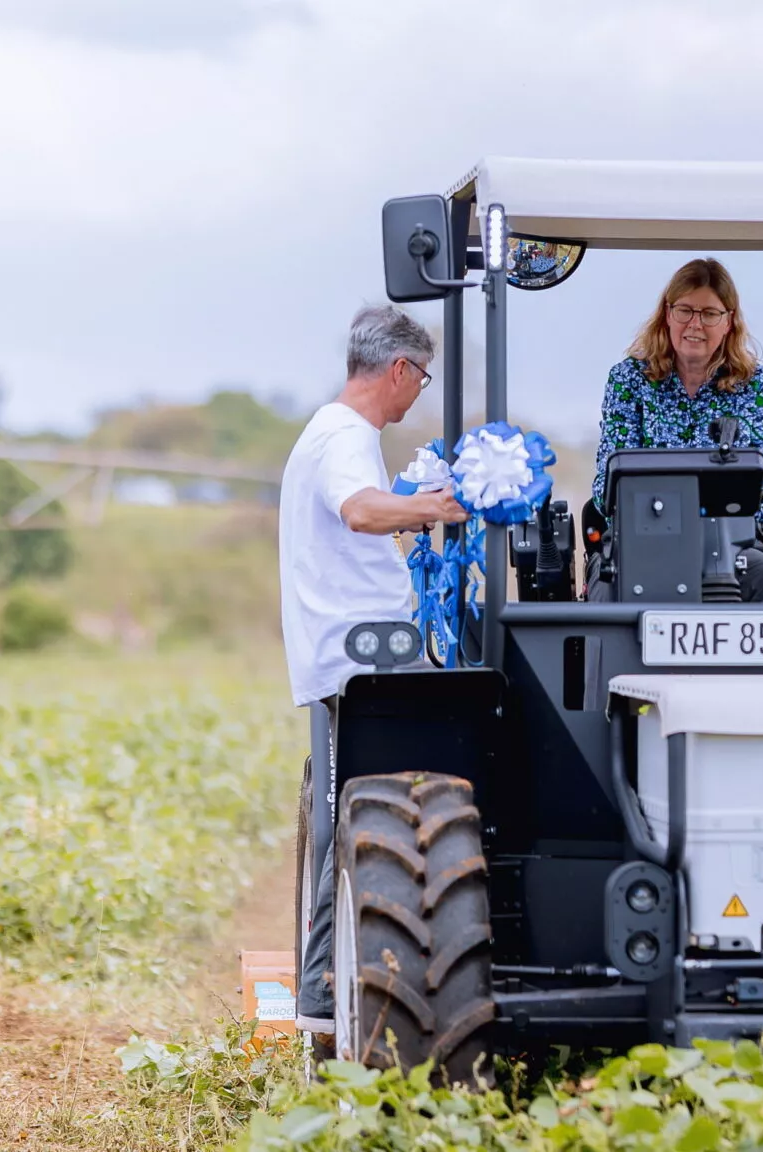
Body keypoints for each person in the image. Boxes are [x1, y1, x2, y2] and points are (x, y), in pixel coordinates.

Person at [278, 303, 468, 1042]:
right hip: (363, 662)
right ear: (398, 369)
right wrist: (433, 508)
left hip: (356, 654)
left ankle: (329, 993)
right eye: (420, 378)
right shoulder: (344, 438)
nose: (418, 391)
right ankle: (326, 998)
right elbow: (360, 512)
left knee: (354, 820)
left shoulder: (331, 432)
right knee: (367, 823)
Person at [587, 258, 763, 602]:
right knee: (607, 586)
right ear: (667, 314)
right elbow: (606, 487)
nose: (695, 324)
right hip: (643, 545)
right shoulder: (629, 379)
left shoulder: (756, 386)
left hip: (732, 548)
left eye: (709, 313)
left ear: (729, 321)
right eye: (685, 310)